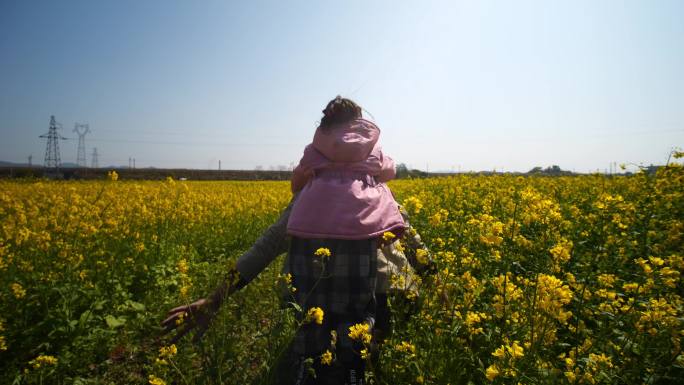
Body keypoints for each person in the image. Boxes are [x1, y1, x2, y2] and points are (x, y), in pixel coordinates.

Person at [164, 97, 416, 384]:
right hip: (358, 329)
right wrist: (432, 279)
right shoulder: (377, 194)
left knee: (302, 363)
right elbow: (409, 236)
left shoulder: (308, 197)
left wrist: (215, 299)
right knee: (358, 355)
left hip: (308, 329)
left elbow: (265, 247)